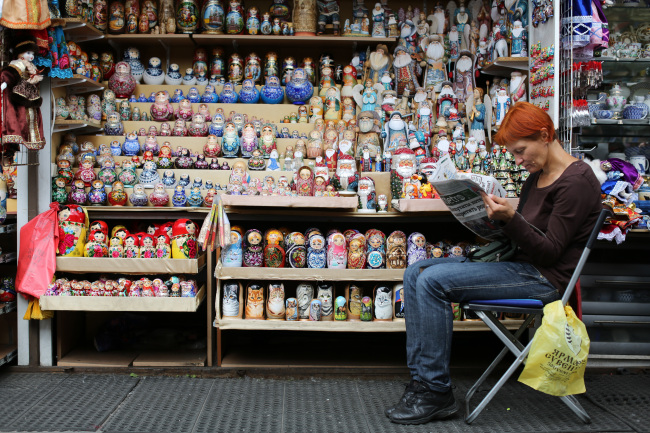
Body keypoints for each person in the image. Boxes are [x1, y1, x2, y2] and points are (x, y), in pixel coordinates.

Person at [386, 101, 603, 425]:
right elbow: (525, 233)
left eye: (520, 151)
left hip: (544, 279)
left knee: (432, 282)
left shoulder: (576, 182)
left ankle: (435, 392)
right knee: (416, 271)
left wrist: (511, 218)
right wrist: (490, 219)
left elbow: (549, 252)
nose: (517, 160)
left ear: (544, 135)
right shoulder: (537, 176)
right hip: (518, 264)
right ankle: (422, 384)